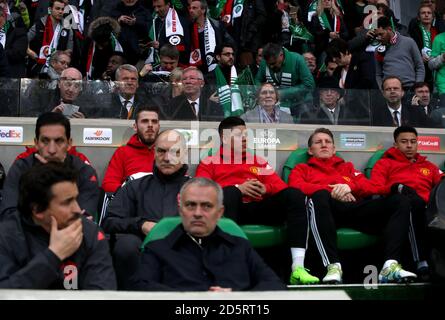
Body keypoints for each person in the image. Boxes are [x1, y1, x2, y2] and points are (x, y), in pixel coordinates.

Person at [288, 127, 418, 284]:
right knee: (318, 197)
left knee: (400, 201)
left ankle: (390, 266)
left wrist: (350, 187)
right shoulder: (303, 168)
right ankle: (332, 266)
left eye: (328, 142)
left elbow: (369, 187)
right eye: (318, 142)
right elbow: (296, 187)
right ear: (310, 150)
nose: (324, 145)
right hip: (327, 213)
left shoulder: (347, 167)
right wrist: (333, 190)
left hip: (354, 208)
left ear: (334, 149)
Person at [196, 116, 312, 285]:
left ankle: (298, 267)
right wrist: (237, 188)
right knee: (230, 193)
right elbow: (201, 192)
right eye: (238, 134)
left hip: (259, 208)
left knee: (294, 194)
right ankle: (228, 266)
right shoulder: (210, 162)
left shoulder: (257, 161)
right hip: (230, 211)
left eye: (245, 134)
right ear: (224, 138)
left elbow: (280, 187)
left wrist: (266, 189)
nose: (244, 138)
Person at [128, 177, 286, 291]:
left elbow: (275, 285)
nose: (197, 213)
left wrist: (238, 300)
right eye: (190, 205)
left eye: (206, 206)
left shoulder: (240, 247)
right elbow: (140, 287)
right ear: (180, 209)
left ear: (219, 212)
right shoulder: (158, 249)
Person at [0, 162, 116, 289]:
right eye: (67, 202)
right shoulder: (6, 236)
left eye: (75, 199)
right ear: (38, 210)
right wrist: (53, 256)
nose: (78, 210)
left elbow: (101, 294)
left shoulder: (90, 233)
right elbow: (5, 292)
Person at [103, 129, 191, 288]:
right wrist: (140, 224)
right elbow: (109, 221)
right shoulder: (135, 186)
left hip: (184, 253)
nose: (167, 158)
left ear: (184, 154)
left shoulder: (197, 190)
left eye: (174, 152)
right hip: (142, 253)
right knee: (126, 245)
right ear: (154, 153)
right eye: (161, 151)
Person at [370, 126, 444, 280]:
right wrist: (396, 189)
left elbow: (442, 186)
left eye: (413, 141)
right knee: (410, 203)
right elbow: (375, 188)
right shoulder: (385, 164)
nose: (409, 145)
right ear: (395, 144)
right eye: (404, 142)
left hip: (427, 210)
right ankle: (420, 261)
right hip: (399, 208)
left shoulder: (428, 167)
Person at [0, 112, 100, 219]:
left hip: (69, 235)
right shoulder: (21, 169)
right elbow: (8, 215)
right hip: (25, 235)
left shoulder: (85, 172)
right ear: (36, 143)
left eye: (59, 141)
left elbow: (82, 219)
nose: (52, 150)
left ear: (69, 144)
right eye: (45, 141)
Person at [102, 106, 161, 193]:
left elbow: (181, 181)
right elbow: (108, 184)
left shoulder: (167, 152)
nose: (150, 125)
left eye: (154, 122)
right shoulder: (122, 153)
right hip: (132, 203)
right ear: (135, 127)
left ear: (159, 126)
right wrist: (132, 194)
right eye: (145, 121)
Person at [255, 42, 315, 115]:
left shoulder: (297, 59)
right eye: (268, 64)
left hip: (300, 102)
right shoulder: (265, 62)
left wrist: (283, 93)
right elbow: (258, 80)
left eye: (273, 63)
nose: (271, 67)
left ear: (281, 55)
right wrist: (263, 93)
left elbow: (309, 85)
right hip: (275, 103)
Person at [374, 16, 425, 91]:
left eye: (381, 34)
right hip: (390, 89)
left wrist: (417, 87)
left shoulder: (409, 42)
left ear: (389, 29)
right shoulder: (378, 50)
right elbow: (378, 74)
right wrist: (382, 90)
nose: (379, 38)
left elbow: (420, 67)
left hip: (409, 88)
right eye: (377, 35)